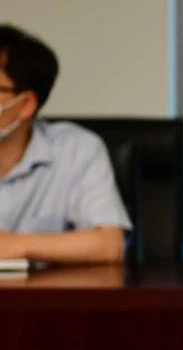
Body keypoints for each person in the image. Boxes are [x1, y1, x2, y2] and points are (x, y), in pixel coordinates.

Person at [0, 24, 131, 264]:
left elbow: (109, 245)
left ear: (26, 104)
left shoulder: (76, 150)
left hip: (45, 288)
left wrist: (14, 245)